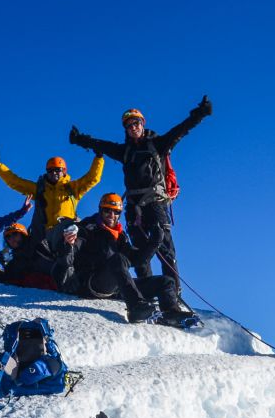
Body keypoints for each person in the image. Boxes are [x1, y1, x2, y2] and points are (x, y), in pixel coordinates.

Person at [68, 96, 210, 283]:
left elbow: (181, 130)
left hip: (155, 203)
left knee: (165, 247)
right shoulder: (124, 151)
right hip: (134, 207)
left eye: (136, 123)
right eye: (129, 125)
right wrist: (80, 140)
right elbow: (101, 144)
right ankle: (147, 290)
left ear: (142, 124)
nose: (133, 127)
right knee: (140, 251)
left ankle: (173, 291)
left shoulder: (158, 144)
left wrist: (200, 113)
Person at [67, 193, 194, 325]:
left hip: (116, 286)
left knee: (166, 281)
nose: (111, 215)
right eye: (107, 210)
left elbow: (137, 260)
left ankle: (171, 313)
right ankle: (135, 308)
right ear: (100, 210)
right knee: (118, 259)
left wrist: (154, 241)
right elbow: (75, 246)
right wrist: (69, 243)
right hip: (91, 283)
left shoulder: (120, 236)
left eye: (116, 212)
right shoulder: (88, 228)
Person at [0, 149, 104, 241]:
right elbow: (16, 182)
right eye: (50, 170)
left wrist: (98, 158)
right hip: (47, 235)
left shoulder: (72, 188)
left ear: (64, 171)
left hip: (68, 231)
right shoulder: (40, 189)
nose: (54, 173)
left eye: (57, 170)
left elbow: (92, 178)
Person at [0, 222, 74, 291]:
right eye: (8, 237)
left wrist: (40, 208)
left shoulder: (36, 242)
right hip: (43, 289)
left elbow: (39, 222)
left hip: (63, 280)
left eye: (15, 234)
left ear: (23, 235)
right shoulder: (15, 261)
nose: (12, 238)